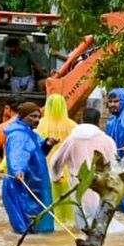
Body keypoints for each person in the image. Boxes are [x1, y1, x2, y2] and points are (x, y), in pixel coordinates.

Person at [50, 108, 124, 233]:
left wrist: (57, 177)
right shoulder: (107, 140)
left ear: (82, 120)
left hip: (77, 184)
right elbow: (114, 165)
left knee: (81, 218)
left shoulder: (72, 139)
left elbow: (56, 161)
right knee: (100, 218)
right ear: (98, 122)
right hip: (100, 185)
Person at [2, 103, 56, 234]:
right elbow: (16, 155)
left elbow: (38, 151)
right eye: (33, 116)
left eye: (38, 116)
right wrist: (17, 170)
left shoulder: (32, 133)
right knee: (28, 219)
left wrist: (47, 144)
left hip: (36, 181)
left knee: (40, 214)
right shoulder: (18, 135)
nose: (37, 120)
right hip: (24, 182)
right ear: (23, 116)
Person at [36, 94, 78, 223]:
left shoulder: (41, 124)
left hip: (47, 168)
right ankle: (69, 224)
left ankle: (54, 225)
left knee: (49, 201)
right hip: (67, 169)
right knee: (68, 201)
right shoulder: (72, 125)